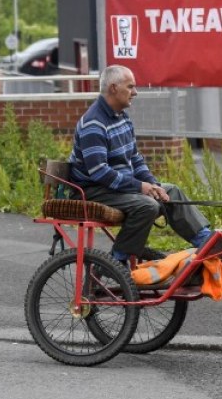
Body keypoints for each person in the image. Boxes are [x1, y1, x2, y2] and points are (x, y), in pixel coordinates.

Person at [69, 64, 212, 263]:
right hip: (93, 190)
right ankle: (116, 261)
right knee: (147, 206)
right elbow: (99, 172)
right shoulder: (94, 124)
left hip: (116, 187)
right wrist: (140, 187)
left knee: (171, 192)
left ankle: (206, 240)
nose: (135, 92)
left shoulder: (122, 118)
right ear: (113, 88)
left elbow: (135, 159)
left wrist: (152, 184)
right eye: (130, 87)